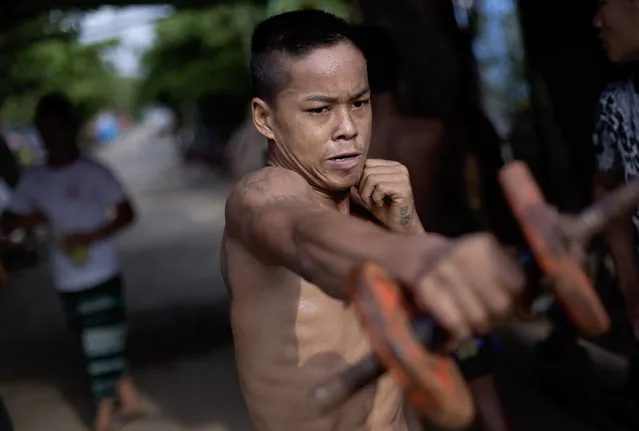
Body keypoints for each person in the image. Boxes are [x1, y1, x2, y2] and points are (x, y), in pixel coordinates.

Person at [222, 10, 525, 431]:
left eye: (359, 103)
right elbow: (301, 234)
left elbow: (445, 338)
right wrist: (420, 253)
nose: (348, 128)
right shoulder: (259, 194)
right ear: (265, 119)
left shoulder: (373, 206)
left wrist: (406, 224)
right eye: (319, 110)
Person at [356, 24, 513, 431]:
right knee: (484, 389)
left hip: (391, 283)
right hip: (446, 270)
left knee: (407, 401)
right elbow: (463, 204)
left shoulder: (350, 152)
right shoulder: (432, 133)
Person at [0, 93, 143, 431]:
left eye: (58, 127)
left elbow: (126, 214)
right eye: (45, 129)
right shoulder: (35, 180)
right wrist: (32, 220)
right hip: (66, 279)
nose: (53, 136)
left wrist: (91, 236)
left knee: (99, 347)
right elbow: (11, 220)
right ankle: (132, 401)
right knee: (98, 343)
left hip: (101, 273)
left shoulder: (94, 172)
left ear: (71, 129)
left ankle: (103, 415)